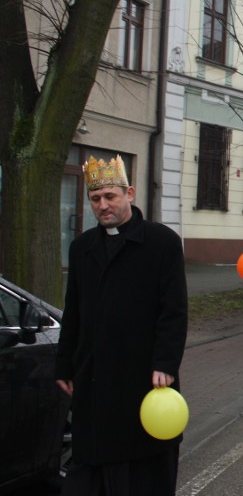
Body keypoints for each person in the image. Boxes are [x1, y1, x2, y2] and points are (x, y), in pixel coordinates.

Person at [56, 156, 188, 495]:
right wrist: (64, 364)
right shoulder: (82, 248)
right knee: (90, 472)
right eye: (95, 199)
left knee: (143, 471)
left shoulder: (162, 243)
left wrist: (165, 362)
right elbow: (73, 312)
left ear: (129, 193)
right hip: (94, 378)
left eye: (110, 196)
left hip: (141, 376)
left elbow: (173, 310)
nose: (103, 205)